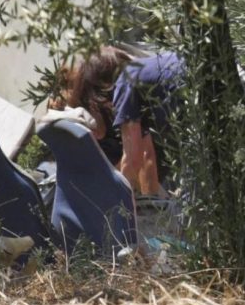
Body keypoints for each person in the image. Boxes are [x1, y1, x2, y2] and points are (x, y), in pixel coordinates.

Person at [61, 46, 185, 197]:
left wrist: (114, 205)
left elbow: (132, 159)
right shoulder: (140, 76)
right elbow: (145, 153)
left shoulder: (125, 82)